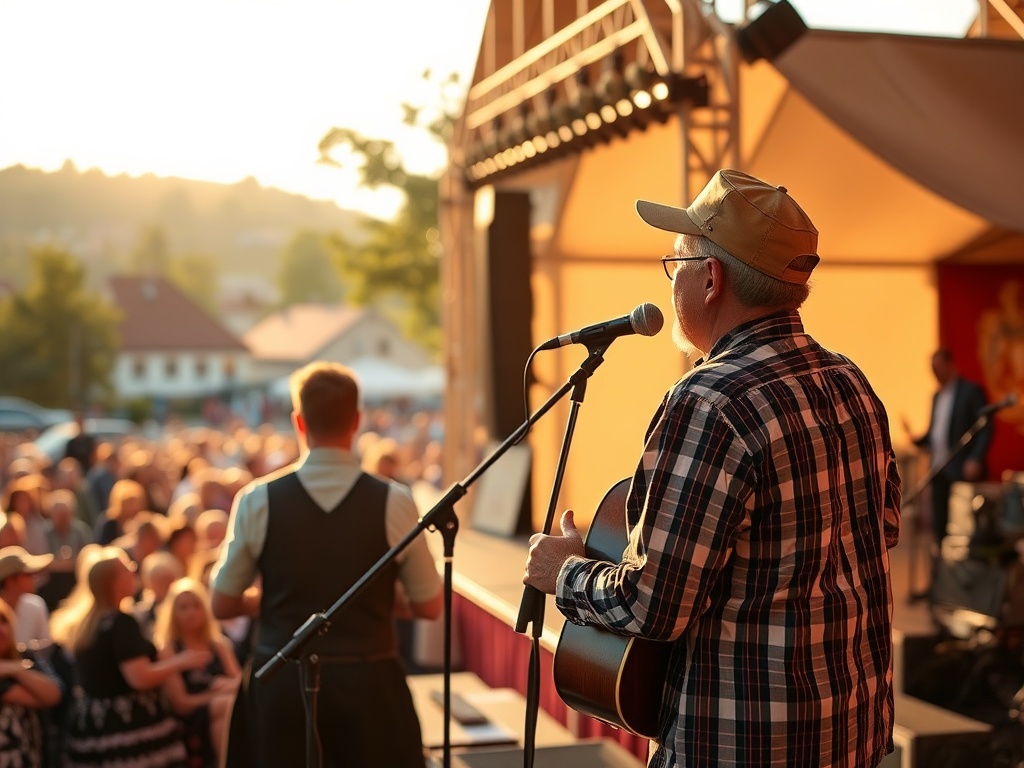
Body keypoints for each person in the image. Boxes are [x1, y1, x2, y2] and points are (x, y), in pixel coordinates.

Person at [524, 170, 901, 768]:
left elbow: (653, 606)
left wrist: (561, 570)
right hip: (850, 735)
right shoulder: (850, 382)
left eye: (675, 266)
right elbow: (880, 535)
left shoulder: (710, 401)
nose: (672, 284)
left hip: (740, 745)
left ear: (711, 278)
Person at [211, 361, 443, 768]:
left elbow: (222, 604)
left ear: (299, 422)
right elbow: (429, 606)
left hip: (282, 684)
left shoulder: (257, 500)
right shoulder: (395, 501)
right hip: (369, 687)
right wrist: (371, 602)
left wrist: (264, 602)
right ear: (356, 421)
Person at [63, 547, 210, 768]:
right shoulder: (121, 624)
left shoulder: (89, 624)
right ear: (113, 582)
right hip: (126, 727)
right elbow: (139, 678)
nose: (134, 572)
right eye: (127, 569)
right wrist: (181, 661)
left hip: (95, 726)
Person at [908, 348, 992, 545]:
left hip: (961, 468)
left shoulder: (970, 392)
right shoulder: (937, 396)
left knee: (963, 523)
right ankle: (941, 567)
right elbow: (935, 432)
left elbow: (985, 427)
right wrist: (918, 440)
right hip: (939, 469)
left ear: (950, 365)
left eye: (938, 368)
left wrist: (975, 458)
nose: (935, 374)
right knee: (940, 525)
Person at [154, 578, 241, 768]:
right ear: (172, 613)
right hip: (192, 721)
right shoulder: (169, 651)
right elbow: (180, 704)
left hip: (225, 712)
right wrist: (216, 695)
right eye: (183, 608)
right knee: (224, 704)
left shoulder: (220, 645)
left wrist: (228, 686)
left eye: (196, 606)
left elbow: (240, 683)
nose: (191, 613)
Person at [0, 597, 62, 768]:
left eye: (4, 621)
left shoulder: (27, 657)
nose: (1, 629)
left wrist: (14, 669)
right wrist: (24, 671)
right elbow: (42, 698)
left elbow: (54, 693)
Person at [0, 546, 53, 649]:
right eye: (29, 574)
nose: (35, 578)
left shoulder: (36, 606)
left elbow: (46, 647)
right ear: (11, 581)